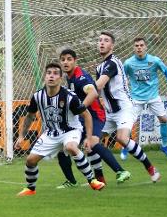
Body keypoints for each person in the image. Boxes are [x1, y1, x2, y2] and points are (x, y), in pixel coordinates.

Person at [15, 62, 106, 196]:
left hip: (71, 130)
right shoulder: (37, 96)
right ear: (45, 76)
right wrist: (21, 136)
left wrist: (88, 137)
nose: (51, 76)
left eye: (55, 73)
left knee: (70, 147)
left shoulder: (70, 97)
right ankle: (30, 189)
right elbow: (30, 116)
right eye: (49, 73)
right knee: (30, 160)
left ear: (60, 78)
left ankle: (93, 180)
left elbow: (86, 115)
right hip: (50, 133)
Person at [56, 49, 130, 189]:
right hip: (82, 119)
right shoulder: (69, 76)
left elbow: (94, 92)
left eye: (69, 59)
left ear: (75, 61)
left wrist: (81, 107)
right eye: (63, 59)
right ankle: (75, 181)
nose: (66, 62)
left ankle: (121, 171)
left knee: (92, 143)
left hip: (96, 116)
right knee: (62, 147)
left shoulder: (80, 77)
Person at [95, 31, 160, 182]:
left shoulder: (113, 63)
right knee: (92, 141)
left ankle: (150, 167)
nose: (102, 43)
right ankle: (99, 178)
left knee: (122, 138)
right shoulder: (100, 67)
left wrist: (80, 91)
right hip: (110, 112)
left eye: (106, 40)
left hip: (125, 109)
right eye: (100, 40)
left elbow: (98, 85)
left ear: (112, 45)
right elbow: (97, 91)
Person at [122, 37, 167, 160]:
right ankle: (125, 145)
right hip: (136, 98)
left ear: (146, 47)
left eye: (141, 45)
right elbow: (122, 78)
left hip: (153, 96)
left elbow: (166, 71)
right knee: (129, 123)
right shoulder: (128, 63)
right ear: (133, 48)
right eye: (136, 46)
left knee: (163, 119)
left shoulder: (154, 60)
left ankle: (164, 146)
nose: (139, 48)